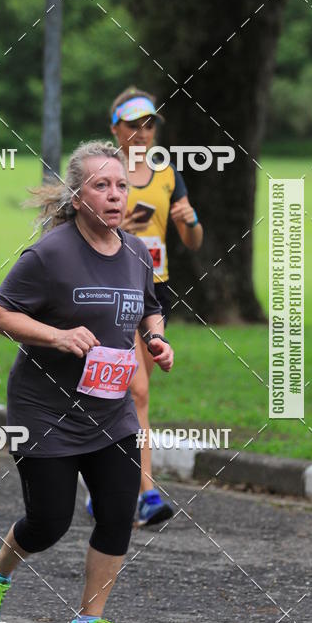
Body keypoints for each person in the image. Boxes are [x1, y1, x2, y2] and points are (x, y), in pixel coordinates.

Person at [0, 140, 173, 623]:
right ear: (78, 196)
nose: (114, 195)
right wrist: (56, 337)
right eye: (101, 185)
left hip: (110, 411)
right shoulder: (50, 253)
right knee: (49, 522)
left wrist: (156, 339)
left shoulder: (134, 251)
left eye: (121, 185)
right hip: (46, 411)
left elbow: (149, 307)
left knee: (117, 512)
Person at [110, 87, 203, 525]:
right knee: (137, 391)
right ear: (116, 129)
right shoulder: (106, 172)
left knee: (131, 396)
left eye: (149, 124)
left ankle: (108, 485)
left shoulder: (167, 174)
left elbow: (193, 240)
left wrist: (190, 223)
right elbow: (77, 229)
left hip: (155, 291)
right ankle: (144, 492)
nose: (143, 133)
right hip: (113, 290)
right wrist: (115, 227)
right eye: (134, 125)